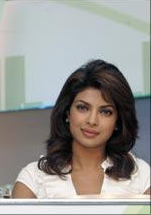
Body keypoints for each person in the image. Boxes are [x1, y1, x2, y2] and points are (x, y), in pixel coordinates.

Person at [12, 59, 150, 198]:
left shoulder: (141, 176)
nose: (92, 120)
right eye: (83, 108)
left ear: (118, 121)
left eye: (105, 111)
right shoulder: (33, 179)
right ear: (67, 112)